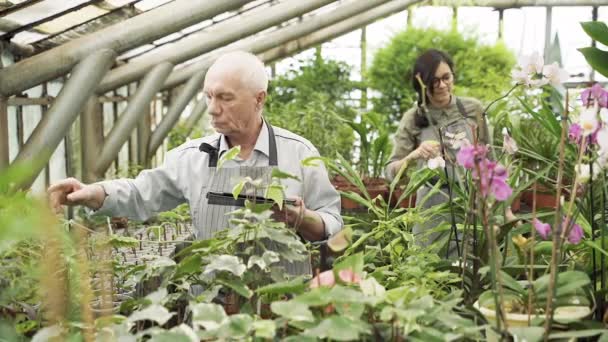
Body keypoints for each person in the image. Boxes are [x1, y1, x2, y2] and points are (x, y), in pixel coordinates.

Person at [48, 51, 343, 275]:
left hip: (284, 303)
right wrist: (92, 192)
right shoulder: (192, 157)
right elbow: (140, 193)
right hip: (211, 303)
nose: (213, 109)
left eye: (225, 98)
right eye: (209, 96)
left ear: (258, 99)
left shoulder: (299, 154)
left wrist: (301, 219)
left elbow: (333, 223)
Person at [385, 49, 488, 257]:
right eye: (433, 81)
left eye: (446, 78)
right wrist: (414, 155)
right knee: (428, 267)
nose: (441, 85)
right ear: (422, 84)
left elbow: (489, 158)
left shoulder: (472, 109)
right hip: (431, 207)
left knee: (470, 269)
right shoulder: (413, 118)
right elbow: (390, 172)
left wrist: (500, 209)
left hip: (470, 205)